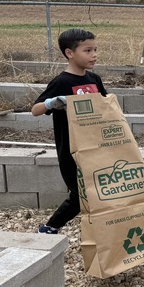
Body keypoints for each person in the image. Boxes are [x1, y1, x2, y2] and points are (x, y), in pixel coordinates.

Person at [31, 28, 107, 234]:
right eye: (88, 50)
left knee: (98, 191)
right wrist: (51, 103)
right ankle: (49, 227)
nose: (94, 55)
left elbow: (105, 106)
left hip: (95, 146)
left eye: (95, 50)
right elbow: (35, 110)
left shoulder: (94, 80)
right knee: (80, 193)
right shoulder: (61, 82)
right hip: (71, 150)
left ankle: (102, 232)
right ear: (69, 53)